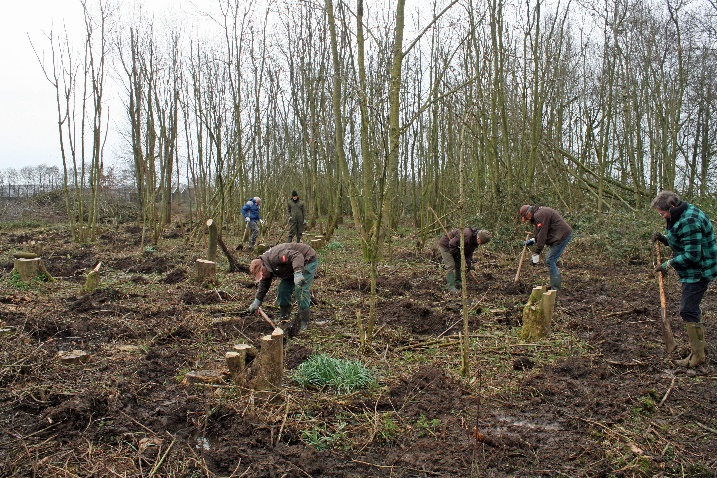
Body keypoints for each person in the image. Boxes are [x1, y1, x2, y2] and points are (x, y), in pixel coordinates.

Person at [651, 190, 717, 368]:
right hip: (693, 269)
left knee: (688, 309)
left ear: (672, 206)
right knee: (690, 309)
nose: (661, 216)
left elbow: (692, 255)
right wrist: (665, 240)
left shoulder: (690, 220)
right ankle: (698, 350)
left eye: (662, 213)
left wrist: (668, 264)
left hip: (700, 270)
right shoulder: (679, 215)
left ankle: (698, 355)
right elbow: (683, 240)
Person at [248, 242, 318, 337]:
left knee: (300, 288)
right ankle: (285, 317)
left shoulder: (276, 256)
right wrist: (257, 301)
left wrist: (298, 273)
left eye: (262, 274)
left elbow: (297, 256)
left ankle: (304, 321)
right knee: (282, 289)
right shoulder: (266, 268)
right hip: (290, 267)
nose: (263, 276)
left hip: (306, 259)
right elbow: (264, 284)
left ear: (263, 266)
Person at [519, 204, 572, 290]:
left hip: (562, 236)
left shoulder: (540, 215)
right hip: (558, 236)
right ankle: (554, 286)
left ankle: (555, 288)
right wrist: (532, 240)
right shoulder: (538, 214)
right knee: (550, 260)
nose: (527, 219)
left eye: (526, 217)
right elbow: (539, 233)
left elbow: (542, 235)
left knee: (550, 260)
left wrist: (537, 253)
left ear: (528, 212)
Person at [437, 228, 492, 292]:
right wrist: (459, 255)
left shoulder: (474, 241)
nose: (480, 244)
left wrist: (468, 262)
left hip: (455, 247)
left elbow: (469, 252)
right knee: (451, 265)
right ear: (479, 238)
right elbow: (452, 244)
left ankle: (458, 281)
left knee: (458, 264)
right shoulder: (466, 235)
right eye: (481, 242)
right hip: (446, 245)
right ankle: (450, 286)